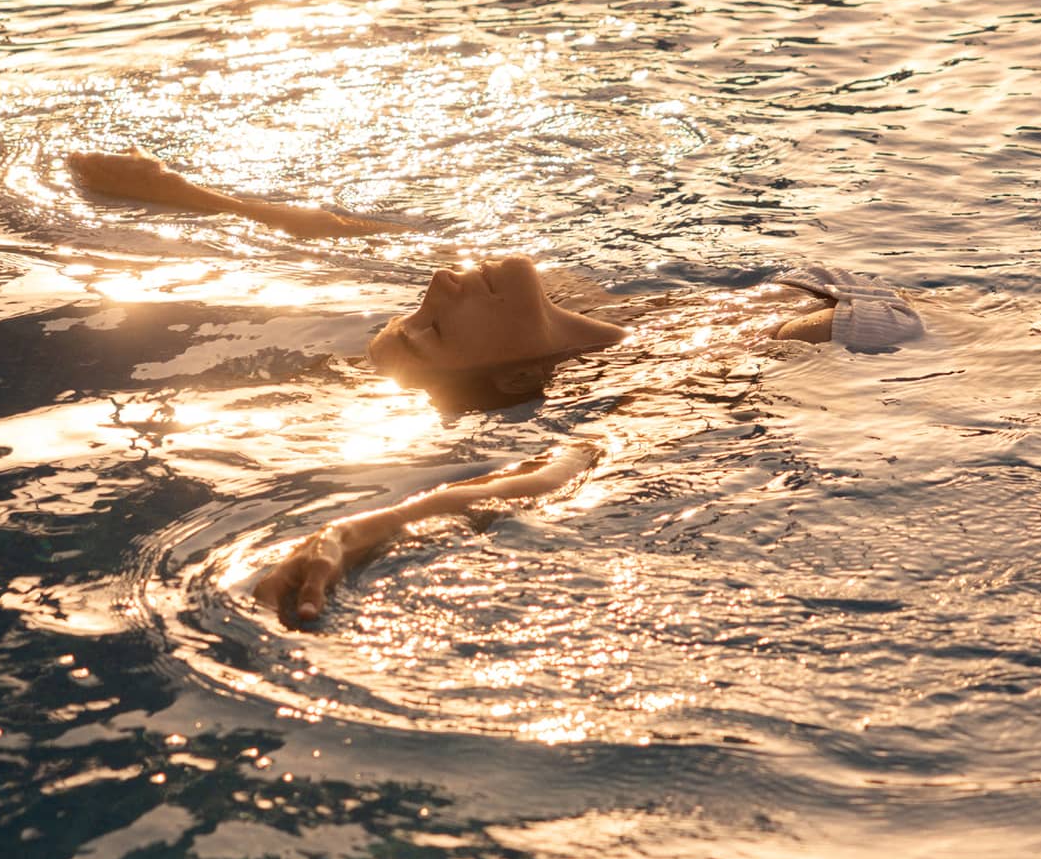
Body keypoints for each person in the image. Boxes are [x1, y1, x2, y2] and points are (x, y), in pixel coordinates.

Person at [68, 147, 924, 622]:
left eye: (415, 314)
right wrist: (362, 529)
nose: (438, 287)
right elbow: (559, 472)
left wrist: (186, 193)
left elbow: (349, 237)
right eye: (434, 329)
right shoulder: (670, 378)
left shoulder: (592, 304)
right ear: (514, 373)